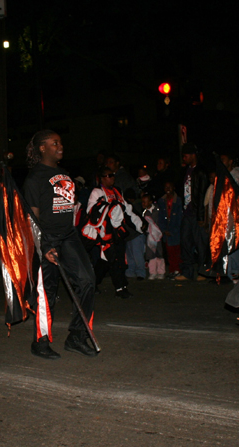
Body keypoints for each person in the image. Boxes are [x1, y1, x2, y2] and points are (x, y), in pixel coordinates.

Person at [23, 129, 97, 359]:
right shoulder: (34, 178)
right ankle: (40, 341)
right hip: (47, 239)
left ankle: (76, 336)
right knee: (47, 292)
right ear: (42, 148)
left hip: (68, 236)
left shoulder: (64, 173)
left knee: (87, 280)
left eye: (61, 143)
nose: (60, 146)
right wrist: (44, 246)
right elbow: (32, 219)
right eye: (55, 143)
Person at [82, 166, 144, 298]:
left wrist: (140, 224)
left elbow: (127, 210)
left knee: (106, 262)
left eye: (113, 175)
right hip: (105, 234)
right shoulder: (97, 192)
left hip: (118, 233)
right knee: (115, 259)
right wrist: (107, 207)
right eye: (109, 175)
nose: (112, 178)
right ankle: (120, 288)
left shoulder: (117, 191)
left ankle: (92, 284)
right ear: (101, 178)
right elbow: (90, 211)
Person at [174, 143, 209, 281]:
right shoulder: (185, 171)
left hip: (196, 213)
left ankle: (202, 271)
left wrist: (201, 216)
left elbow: (202, 195)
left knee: (200, 244)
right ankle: (187, 271)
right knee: (186, 242)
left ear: (193, 155)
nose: (184, 158)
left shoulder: (201, 171)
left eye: (186, 155)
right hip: (186, 213)